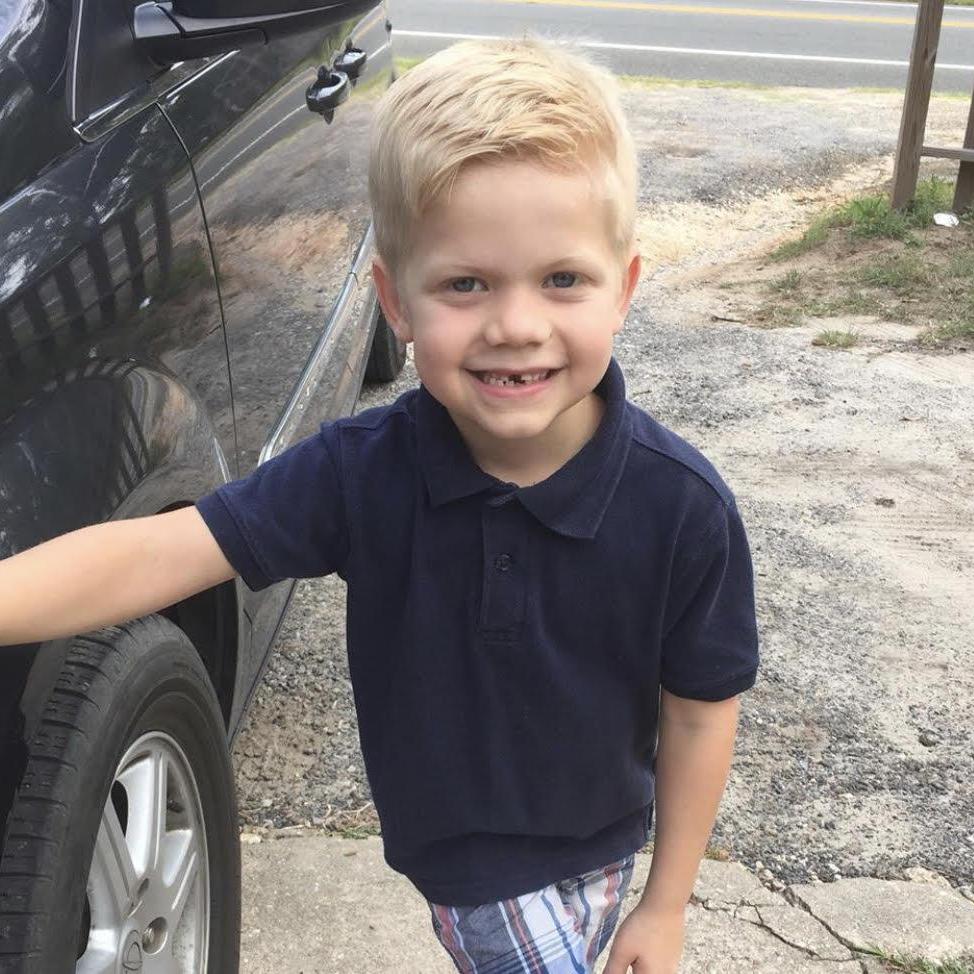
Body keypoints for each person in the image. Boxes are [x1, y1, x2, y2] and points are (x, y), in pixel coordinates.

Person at [0, 37, 759, 974]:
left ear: (624, 289)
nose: (516, 325)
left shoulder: (684, 508)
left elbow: (700, 710)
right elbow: (166, 551)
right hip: (472, 872)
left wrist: (667, 902)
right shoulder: (362, 473)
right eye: (465, 284)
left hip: (608, 844)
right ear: (395, 303)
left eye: (562, 279)